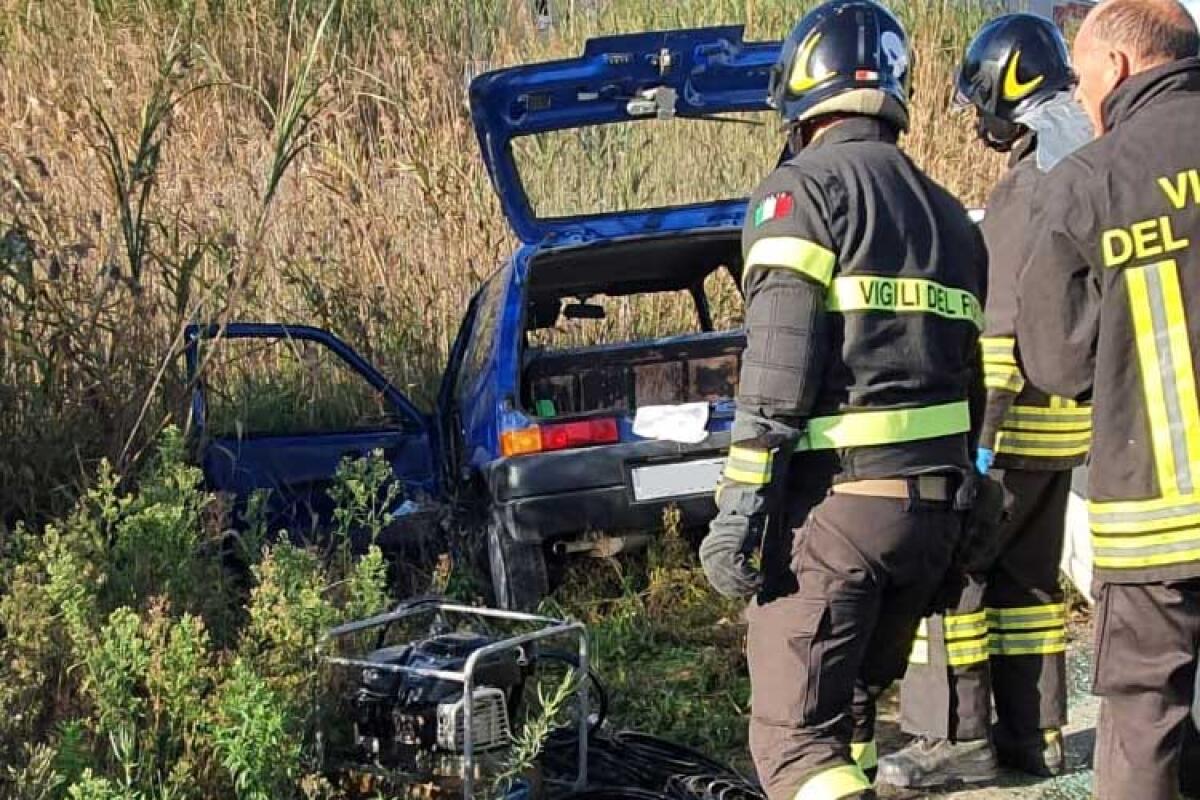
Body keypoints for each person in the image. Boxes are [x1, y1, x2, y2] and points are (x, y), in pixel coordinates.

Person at [698, 2, 988, 798]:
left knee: (794, 751)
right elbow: (975, 378)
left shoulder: (800, 193)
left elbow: (778, 371)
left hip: (838, 518)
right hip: (932, 517)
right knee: (852, 713)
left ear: (799, 92)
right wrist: (973, 495)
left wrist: (740, 505)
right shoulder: (950, 217)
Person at [877, 14, 1093, 789]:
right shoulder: (1091, 162)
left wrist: (975, 443)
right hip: (1067, 424)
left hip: (1007, 422)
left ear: (1011, 84)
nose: (980, 119)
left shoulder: (1031, 187)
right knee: (1029, 583)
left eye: (983, 101)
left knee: (957, 577)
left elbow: (1000, 322)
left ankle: (954, 738)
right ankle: (1037, 735)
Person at [1012, 1, 1200, 798]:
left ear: (1118, 67)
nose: (1083, 100)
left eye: (1082, 77)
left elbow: (1054, 362)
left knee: (1144, 717)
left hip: (1157, 516)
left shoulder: (1092, 181)